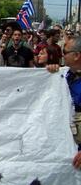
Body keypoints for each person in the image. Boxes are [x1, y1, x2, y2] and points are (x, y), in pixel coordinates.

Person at [46, 36, 81, 169]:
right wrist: (51, 73)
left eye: (65, 52)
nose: (62, 55)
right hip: (66, 147)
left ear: (77, 55)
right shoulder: (65, 75)